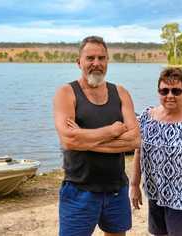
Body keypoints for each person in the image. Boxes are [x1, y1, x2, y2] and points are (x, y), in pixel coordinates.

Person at [53, 36, 140, 236]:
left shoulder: (120, 93)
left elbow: (135, 140)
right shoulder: (67, 93)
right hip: (79, 190)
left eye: (101, 58)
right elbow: (68, 139)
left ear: (107, 61)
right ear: (79, 62)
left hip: (116, 189)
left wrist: (83, 140)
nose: (96, 64)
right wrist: (110, 132)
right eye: (90, 58)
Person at [130, 68, 182, 236]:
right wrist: (134, 185)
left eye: (176, 91)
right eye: (164, 91)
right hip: (155, 193)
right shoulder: (146, 117)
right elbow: (139, 153)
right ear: (158, 91)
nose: (170, 95)